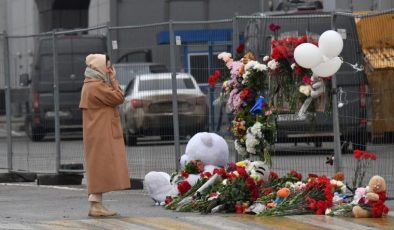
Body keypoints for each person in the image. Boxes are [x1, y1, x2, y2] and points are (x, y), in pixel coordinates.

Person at [79, 54, 131, 217]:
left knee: (99, 168)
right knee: (99, 168)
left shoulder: (94, 84)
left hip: (100, 132)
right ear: (99, 68)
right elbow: (119, 97)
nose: (110, 70)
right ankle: (95, 205)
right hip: (101, 133)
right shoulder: (96, 86)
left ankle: (97, 204)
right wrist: (114, 79)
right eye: (107, 66)